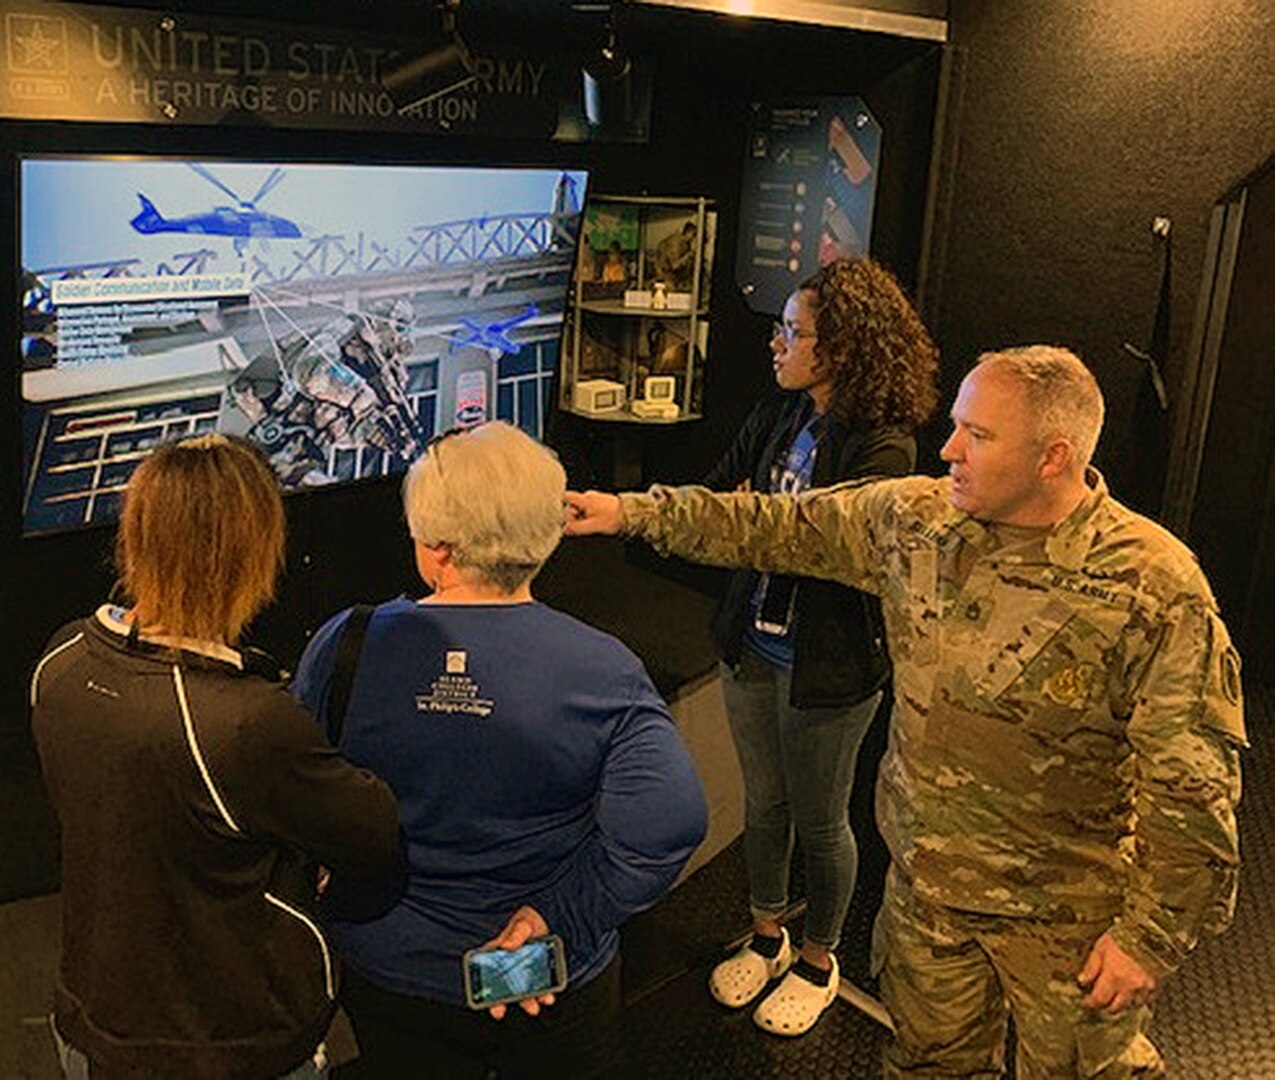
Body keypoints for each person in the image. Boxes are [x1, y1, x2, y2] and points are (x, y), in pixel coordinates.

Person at [564, 346, 1245, 1078]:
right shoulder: (916, 521)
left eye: (977, 436)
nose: (948, 448)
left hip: (1065, 923)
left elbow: (1193, 793)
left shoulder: (1151, 585)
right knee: (925, 1064)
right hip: (927, 903)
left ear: (1052, 458)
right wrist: (628, 511)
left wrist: (1149, 938)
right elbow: (771, 525)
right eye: (954, 425)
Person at [291, 421, 708, 1079]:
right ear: (544, 540)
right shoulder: (603, 669)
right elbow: (666, 829)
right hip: (539, 973)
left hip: (389, 965)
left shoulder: (345, 645)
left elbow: (294, 794)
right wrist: (555, 918)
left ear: (434, 549)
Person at [29, 434, 400, 1080]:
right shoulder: (245, 722)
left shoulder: (59, 662)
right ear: (254, 552)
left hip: (90, 1025)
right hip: (228, 1044)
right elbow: (371, 831)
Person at [701, 258, 938, 1036]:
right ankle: (767, 935)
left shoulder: (885, 446)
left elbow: (835, 549)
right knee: (762, 807)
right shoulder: (777, 415)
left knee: (822, 817)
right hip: (753, 652)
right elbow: (720, 500)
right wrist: (765, 526)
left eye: (792, 332)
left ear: (839, 348)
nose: (775, 343)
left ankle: (817, 959)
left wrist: (763, 525)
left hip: (828, 669)